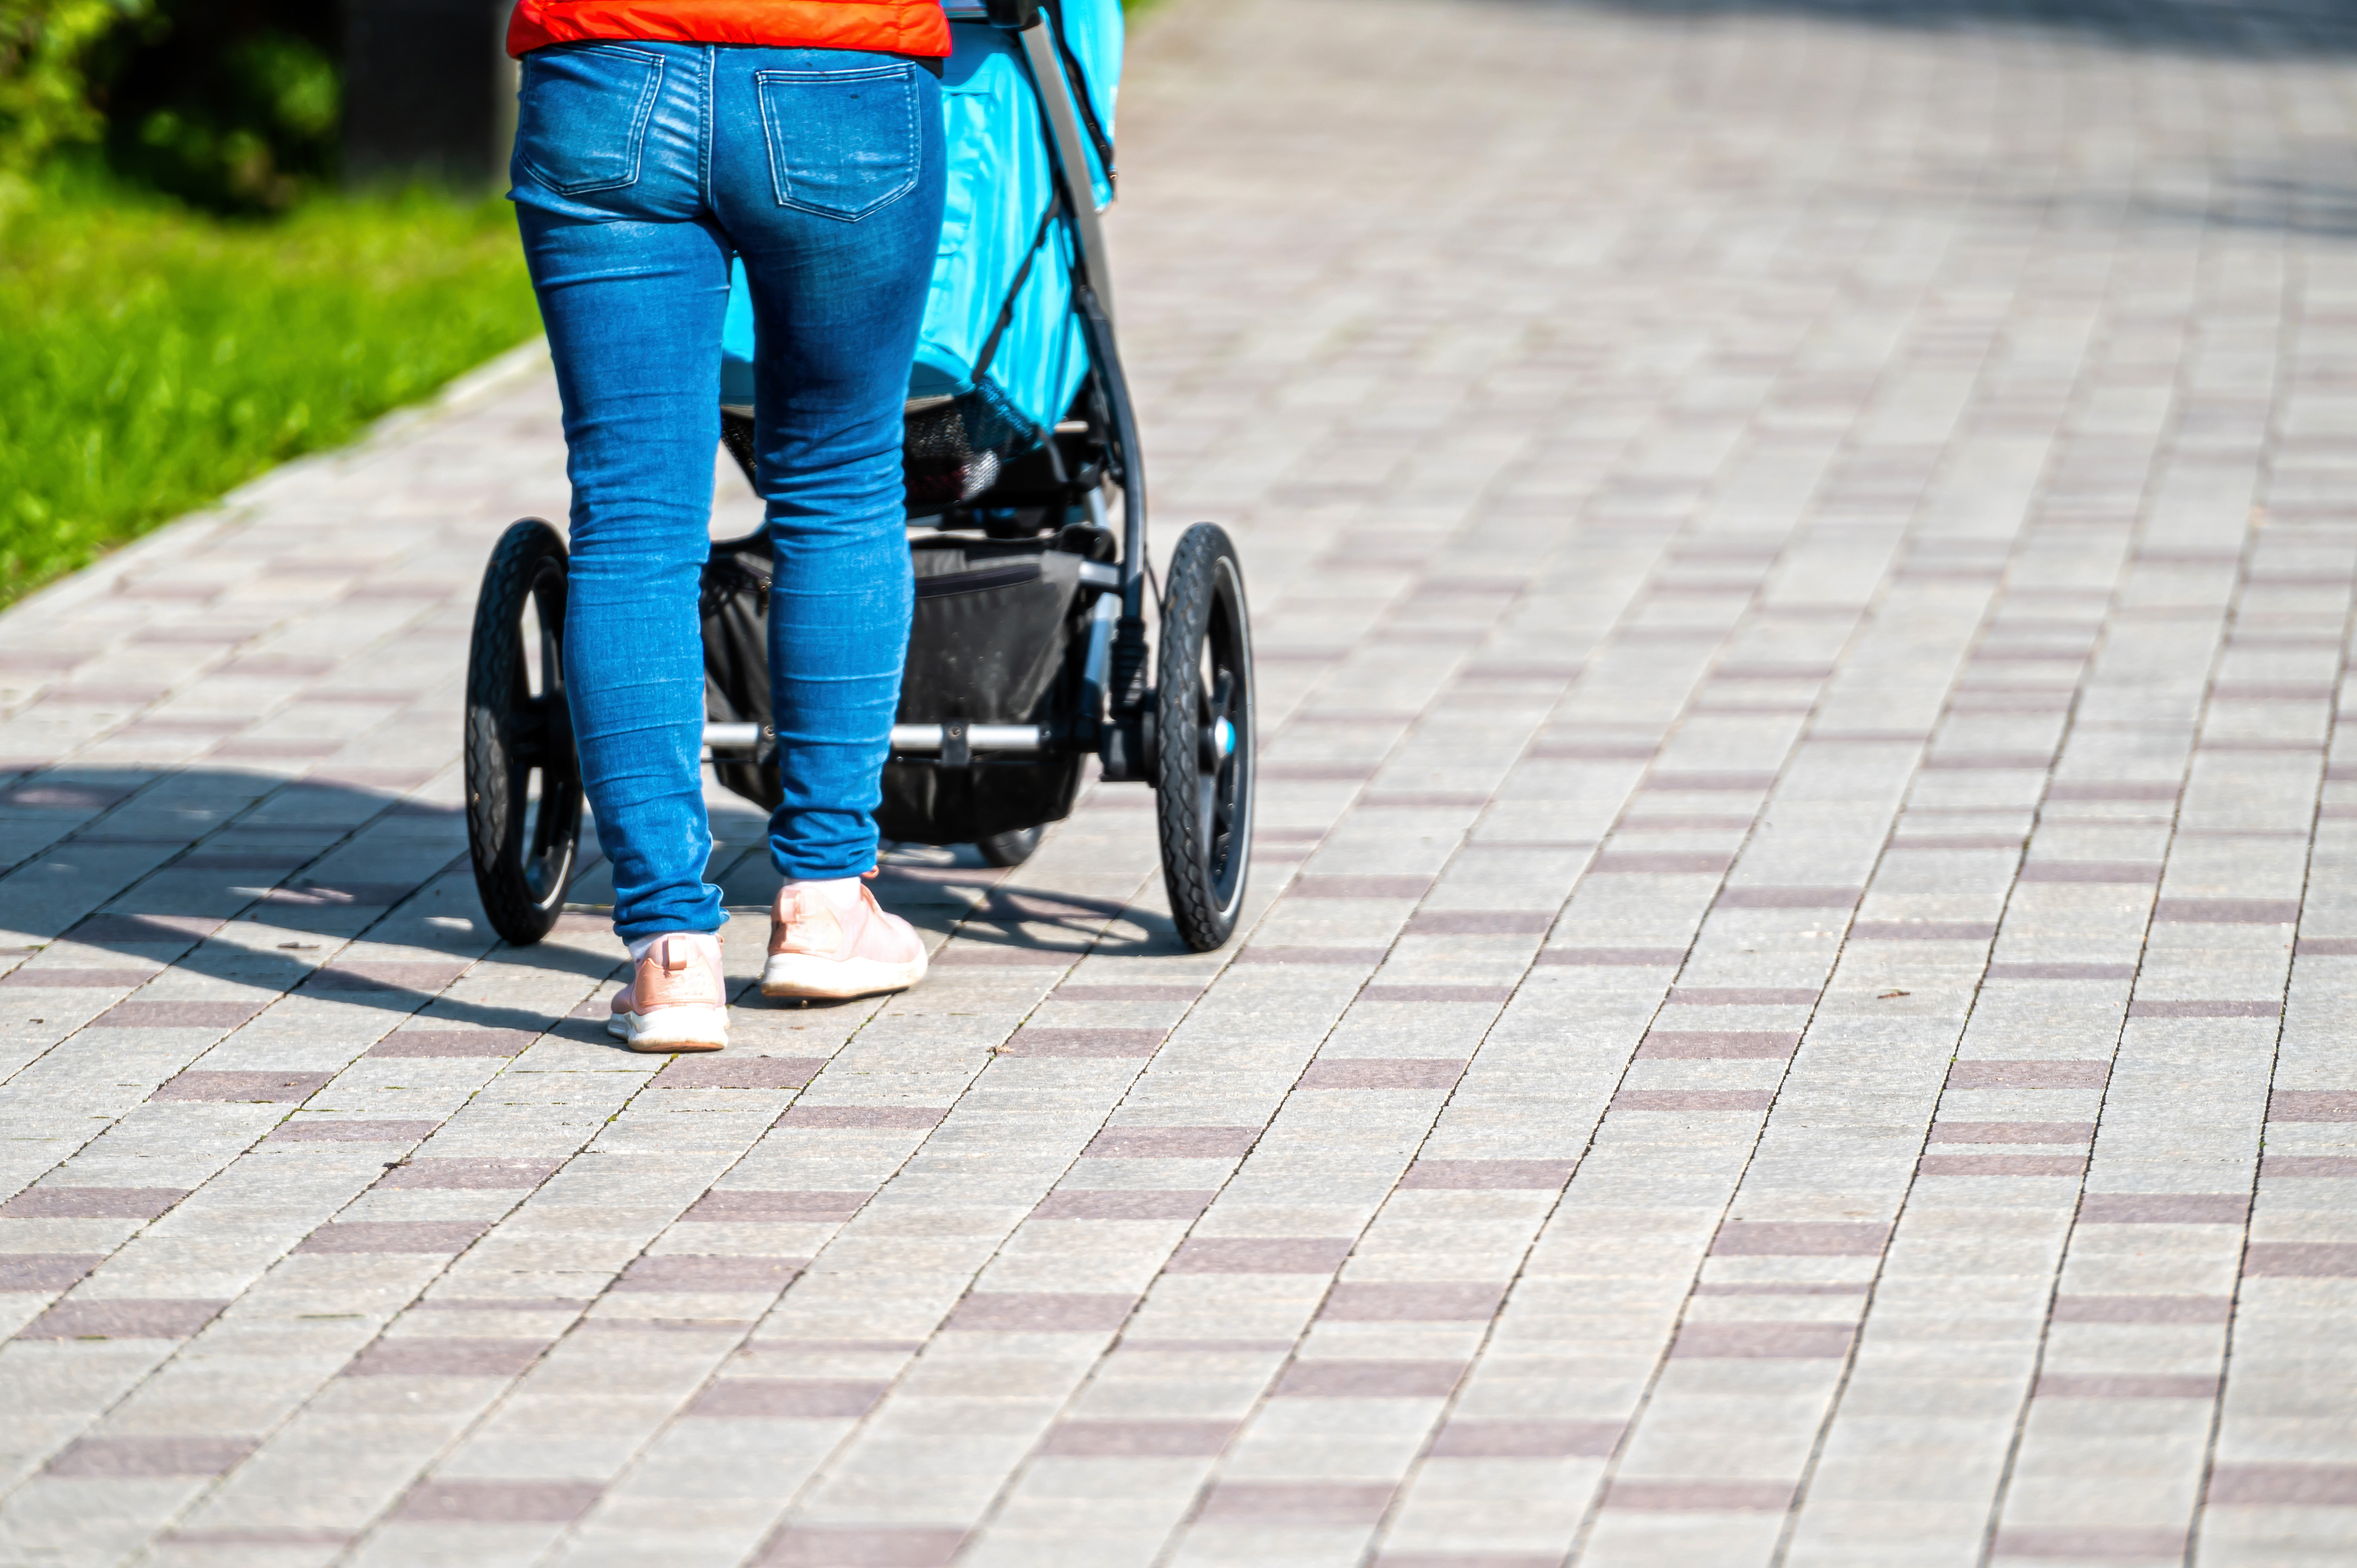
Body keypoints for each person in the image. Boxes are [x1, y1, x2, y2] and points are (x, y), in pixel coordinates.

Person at [503, 0, 950, 1052]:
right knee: (837, 480)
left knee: (629, 519)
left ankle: (668, 955)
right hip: (840, 67)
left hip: (602, 68)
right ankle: (824, 905)